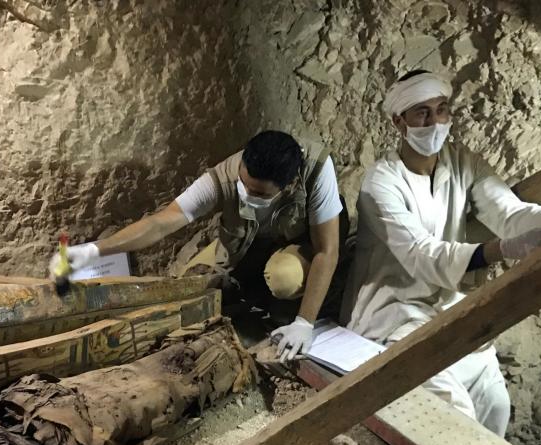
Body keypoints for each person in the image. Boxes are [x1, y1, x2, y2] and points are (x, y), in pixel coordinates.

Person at [343, 70, 541, 437]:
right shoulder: (381, 182)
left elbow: (510, 213)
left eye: (442, 110)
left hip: (447, 307)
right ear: (398, 122)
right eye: (422, 113)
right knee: (457, 416)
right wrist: (503, 249)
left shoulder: (462, 162)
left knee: (495, 404)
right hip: (395, 315)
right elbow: (422, 254)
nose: (435, 122)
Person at [49, 130, 347, 362]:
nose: (244, 192)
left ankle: (288, 306)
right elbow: (163, 221)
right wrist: (93, 251)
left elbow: (326, 250)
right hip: (245, 244)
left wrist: (304, 322)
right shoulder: (226, 174)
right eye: (242, 183)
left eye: (257, 192)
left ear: (289, 184)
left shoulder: (315, 173)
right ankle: (249, 295)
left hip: (295, 247)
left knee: (284, 278)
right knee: (189, 286)